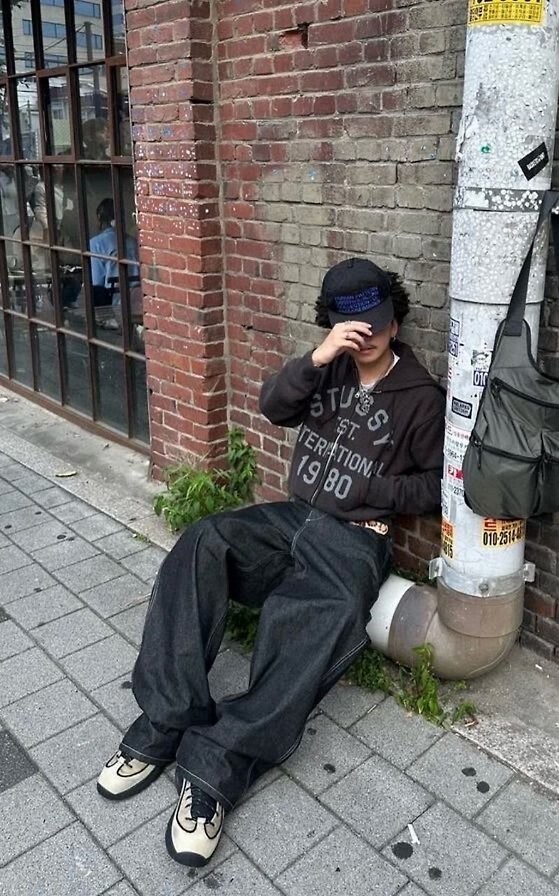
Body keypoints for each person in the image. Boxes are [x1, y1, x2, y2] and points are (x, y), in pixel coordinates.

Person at [96, 257, 446, 867]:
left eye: (378, 322)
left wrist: (371, 491)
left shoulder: (420, 397)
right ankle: (165, 719)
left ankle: (214, 767)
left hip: (354, 538)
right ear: (334, 324)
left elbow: (436, 486)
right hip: (292, 518)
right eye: (354, 325)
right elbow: (273, 407)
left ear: (396, 320)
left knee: (322, 611)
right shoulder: (326, 369)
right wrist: (317, 358)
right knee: (205, 540)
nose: (369, 336)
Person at [89, 197, 139, 306]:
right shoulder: (134, 242)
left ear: (99, 218)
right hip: (138, 300)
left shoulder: (96, 244)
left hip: (113, 303)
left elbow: (97, 283)